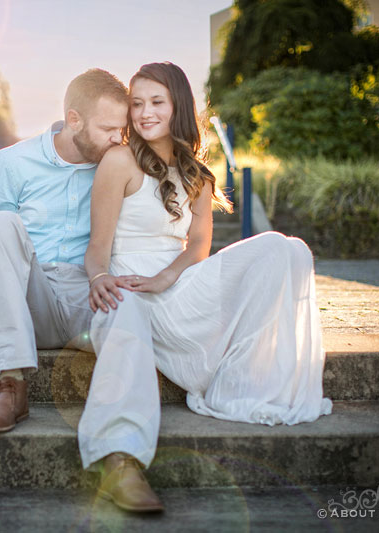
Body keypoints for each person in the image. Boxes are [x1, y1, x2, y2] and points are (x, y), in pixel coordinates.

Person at [78, 62, 333, 513]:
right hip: (134, 287)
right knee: (277, 250)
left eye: (156, 102)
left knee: (285, 249)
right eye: (137, 103)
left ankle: (262, 377)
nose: (144, 113)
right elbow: (97, 247)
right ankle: (121, 458)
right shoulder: (118, 161)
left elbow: (198, 247)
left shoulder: (198, 174)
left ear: (177, 105)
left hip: (178, 279)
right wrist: (102, 278)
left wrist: (167, 277)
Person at [0, 68, 129, 433]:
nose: (117, 139)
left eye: (121, 129)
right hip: (32, 305)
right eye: (108, 129)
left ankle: (117, 421)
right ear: (74, 119)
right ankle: (11, 387)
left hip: (90, 301)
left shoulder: (118, 163)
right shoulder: (12, 163)